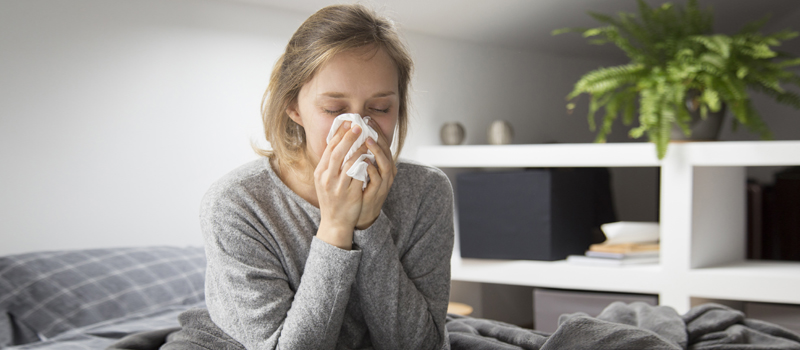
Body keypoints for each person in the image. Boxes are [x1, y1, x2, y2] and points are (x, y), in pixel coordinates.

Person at [193, 4, 454, 350]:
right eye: (333, 109)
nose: (360, 128)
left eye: (380, 108)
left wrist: (370, 226)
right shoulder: (236, 205)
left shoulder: (427, 191)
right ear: (293, 106)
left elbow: (421, 345)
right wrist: (335, 226)